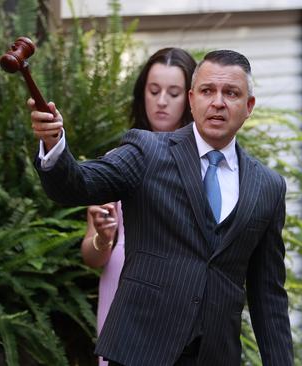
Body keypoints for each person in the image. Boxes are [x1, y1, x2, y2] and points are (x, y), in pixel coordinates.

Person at [30, 50, 293, 365]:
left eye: (231, 93)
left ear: (248, 106)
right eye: (208, 91)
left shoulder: (268, 187)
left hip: (215, 355)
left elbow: (269, 298)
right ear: (193, 99)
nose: (218, 102)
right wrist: (54, 142)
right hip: (140, 351)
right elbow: (77, 184)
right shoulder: (147, 152)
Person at [80, 47, 197, 366]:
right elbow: (92, 256)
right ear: (141, 93)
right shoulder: (117, 163)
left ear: (189, 99)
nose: (161, 101)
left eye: (173, 93)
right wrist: (104, 236)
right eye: (153, 90)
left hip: (180, 300)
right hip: (122, 292)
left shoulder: (206, 167)